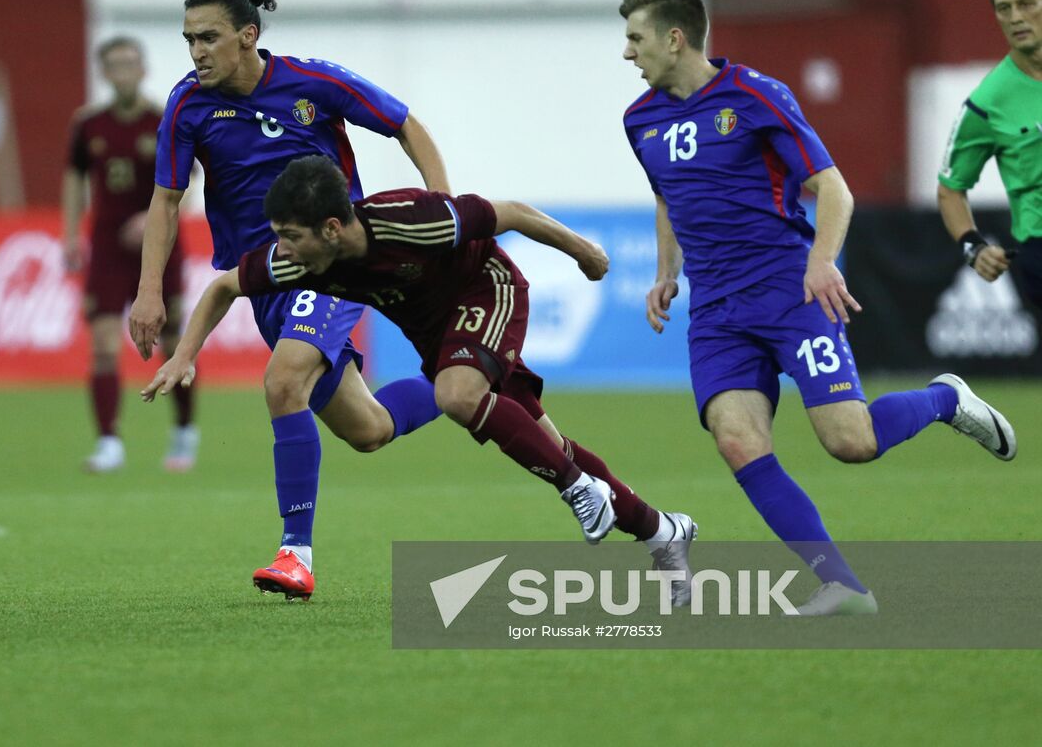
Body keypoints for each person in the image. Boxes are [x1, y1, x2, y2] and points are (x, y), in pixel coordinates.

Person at [620, 0, 1017, 615]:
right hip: (717, 311)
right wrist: (667, 272)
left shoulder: (755, 95)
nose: (627, 53)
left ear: (674, 38)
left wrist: (821, 262)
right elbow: (668, 195)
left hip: (786, 291)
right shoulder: (638, 119)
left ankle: (947, 399)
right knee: (737, 439)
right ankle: (841, 583)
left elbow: (833, 188)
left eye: (635, 39)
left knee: (849, 442)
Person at [143, 155, 700, 604]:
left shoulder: (412, 218)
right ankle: (661, 531)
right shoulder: (300, 260)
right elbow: (222, 288)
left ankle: (580, 490)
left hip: (488, 290)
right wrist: (184, 356)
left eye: (290, 235)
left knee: (456, 394)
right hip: (438, 335)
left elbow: (511, 213)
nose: (281, 249)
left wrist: (583, 251)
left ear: (332, 228)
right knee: (543, 440)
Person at [128, 0, 451, 596]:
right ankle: (463, 380)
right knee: (369, 430)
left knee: (281, 384)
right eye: (188, 39)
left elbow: (406, 123)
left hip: (334, 264)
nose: (197, 52)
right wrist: (147, 292)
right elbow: (166, 200)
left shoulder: (312, 81)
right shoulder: (188, 104)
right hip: (264, 279)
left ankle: (294, 554)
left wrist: (441, 203)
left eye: (209, 38)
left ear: (248, 35)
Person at [63, 36, 197, 473]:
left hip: (159, 249)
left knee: (173, 341)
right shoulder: (88, 125)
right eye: (114, 65)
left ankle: (183, 429)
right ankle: (108, 443)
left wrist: (153, 220)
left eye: (130, 64)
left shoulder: (163, 121)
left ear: (143, 70)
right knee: (103, 346)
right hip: (106, 249)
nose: (123, 72)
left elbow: (190, 181)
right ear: (104, 72)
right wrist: (70, 236)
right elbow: (73, 177)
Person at [938, 0, 1042, 308]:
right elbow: (950, 190)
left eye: (1026, 4)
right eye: (1004, 8)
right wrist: (974, 247)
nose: (1015, 17)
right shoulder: (987, 102)